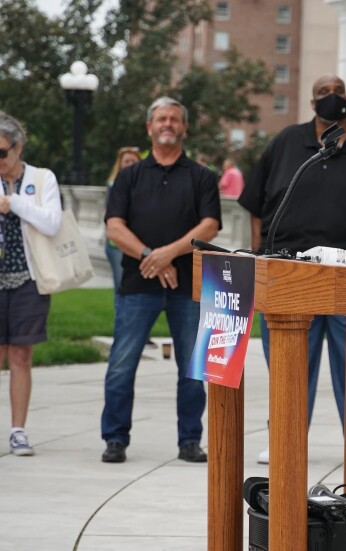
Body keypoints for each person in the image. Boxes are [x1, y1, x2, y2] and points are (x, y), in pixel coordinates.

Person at [238, 74, 346, 465]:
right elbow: (257, 207)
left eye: (338, 93)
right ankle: (284, 434)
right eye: (323, 94)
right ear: (311, 103)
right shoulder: (285, 144)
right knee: (288, 363)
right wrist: (258, 255)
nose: (332, 99)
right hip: (291, 275)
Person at [101, 97, 222, 464]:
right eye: (161, 119)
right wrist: (148, 257)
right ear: (149, 128)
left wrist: (166, 254)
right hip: (137, 287)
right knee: (122, 365)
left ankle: (190, 441)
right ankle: (115, 439)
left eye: (174, 119)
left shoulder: (201, 176)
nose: (167, 124)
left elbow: (210, 226)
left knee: (191, 368)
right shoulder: (129, 176)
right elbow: (114, 227)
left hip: (188, 286)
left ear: (184, 128)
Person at [0, 111, 62, 456]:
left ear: (18, 147)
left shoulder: (41, 179)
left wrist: (14, 203)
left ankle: (18, 431)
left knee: (21, 355)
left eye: (2, 153)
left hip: (29, 278)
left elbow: (51, 223)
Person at [104, 147, 142, 291]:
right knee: (121, 285)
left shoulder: (147, 186)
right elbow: (107, 215)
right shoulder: (113, 186)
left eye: (134, 161)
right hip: (117, 245)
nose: (130, 164)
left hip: (141, 242)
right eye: (127, 161)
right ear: (120, 164)